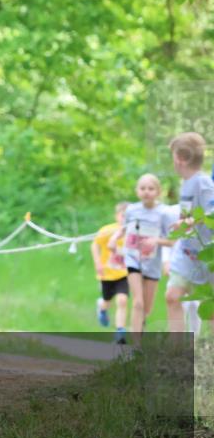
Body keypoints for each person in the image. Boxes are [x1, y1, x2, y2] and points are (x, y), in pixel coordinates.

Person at [109, 174, 176, 336]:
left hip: (152, 263)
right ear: (137, 191)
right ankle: (136, 346)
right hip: (133, 259)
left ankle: (139, 325)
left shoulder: (164, 213)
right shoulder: (132, 210)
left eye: (151, 189)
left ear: (158, 192)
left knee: (147, 308)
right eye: (142, 188)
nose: (146, 192)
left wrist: (156, 241)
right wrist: (114, 238)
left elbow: (172, 241)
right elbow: (124, 228)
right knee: (138, 302)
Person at [165, 133, 214, 333]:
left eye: (173, 156)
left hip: (206, 256)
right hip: (186, 254)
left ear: (180, 159)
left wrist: (192, 220)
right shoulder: (186, 182)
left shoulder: (202, 183)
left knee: (210, 311)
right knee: (172, 296)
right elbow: (187, 215)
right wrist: (181, 224)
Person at [91, 202, 130, 344]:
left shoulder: (132, 233)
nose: (125, 218)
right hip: (107, 274)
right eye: (123, 215)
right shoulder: (108, 230)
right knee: (107, 301)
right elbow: (94, 244)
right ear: (117, 216)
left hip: (124, 274)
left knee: (122, 300)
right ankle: (102, 308)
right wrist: (98, 263)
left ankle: (120, 332)